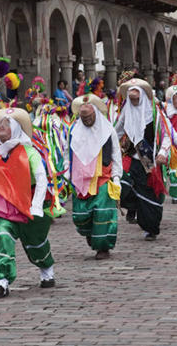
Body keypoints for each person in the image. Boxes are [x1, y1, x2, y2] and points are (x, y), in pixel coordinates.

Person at [0, 108, 56, 299]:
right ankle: (0, 281)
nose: (1, 127)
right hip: (5, 205)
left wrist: (37, 205)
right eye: (0, 124)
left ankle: (46, 267)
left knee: (35, 242)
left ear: (16, 129)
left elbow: (42, 179)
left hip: (29, 202)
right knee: (3, 235)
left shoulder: (30, 151)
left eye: (6, 124)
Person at [115, 78, 174, 241]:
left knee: (149, 194)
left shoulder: (155, 113)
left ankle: (150, 227)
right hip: (130, 157)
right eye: (131, 99)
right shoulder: (126, 111)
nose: (133, 102)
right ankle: (135, 206)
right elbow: (116, 132)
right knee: (121, 186)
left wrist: (163, 152)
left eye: (136, 99)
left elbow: (168, 135)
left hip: (149, 160)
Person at [66, 94, 122, 259]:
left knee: (103, 213)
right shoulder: (73, 131)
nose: (87, 120)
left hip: (103, 178)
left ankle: (103, 248)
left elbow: (116, 154)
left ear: (96, 113)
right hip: (79, 181)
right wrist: (66, 172)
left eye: (89, 116)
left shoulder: (108, 130)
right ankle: (91, 234)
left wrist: (117, 178)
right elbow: (66, 154)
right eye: (83, 117)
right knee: (81, 216)